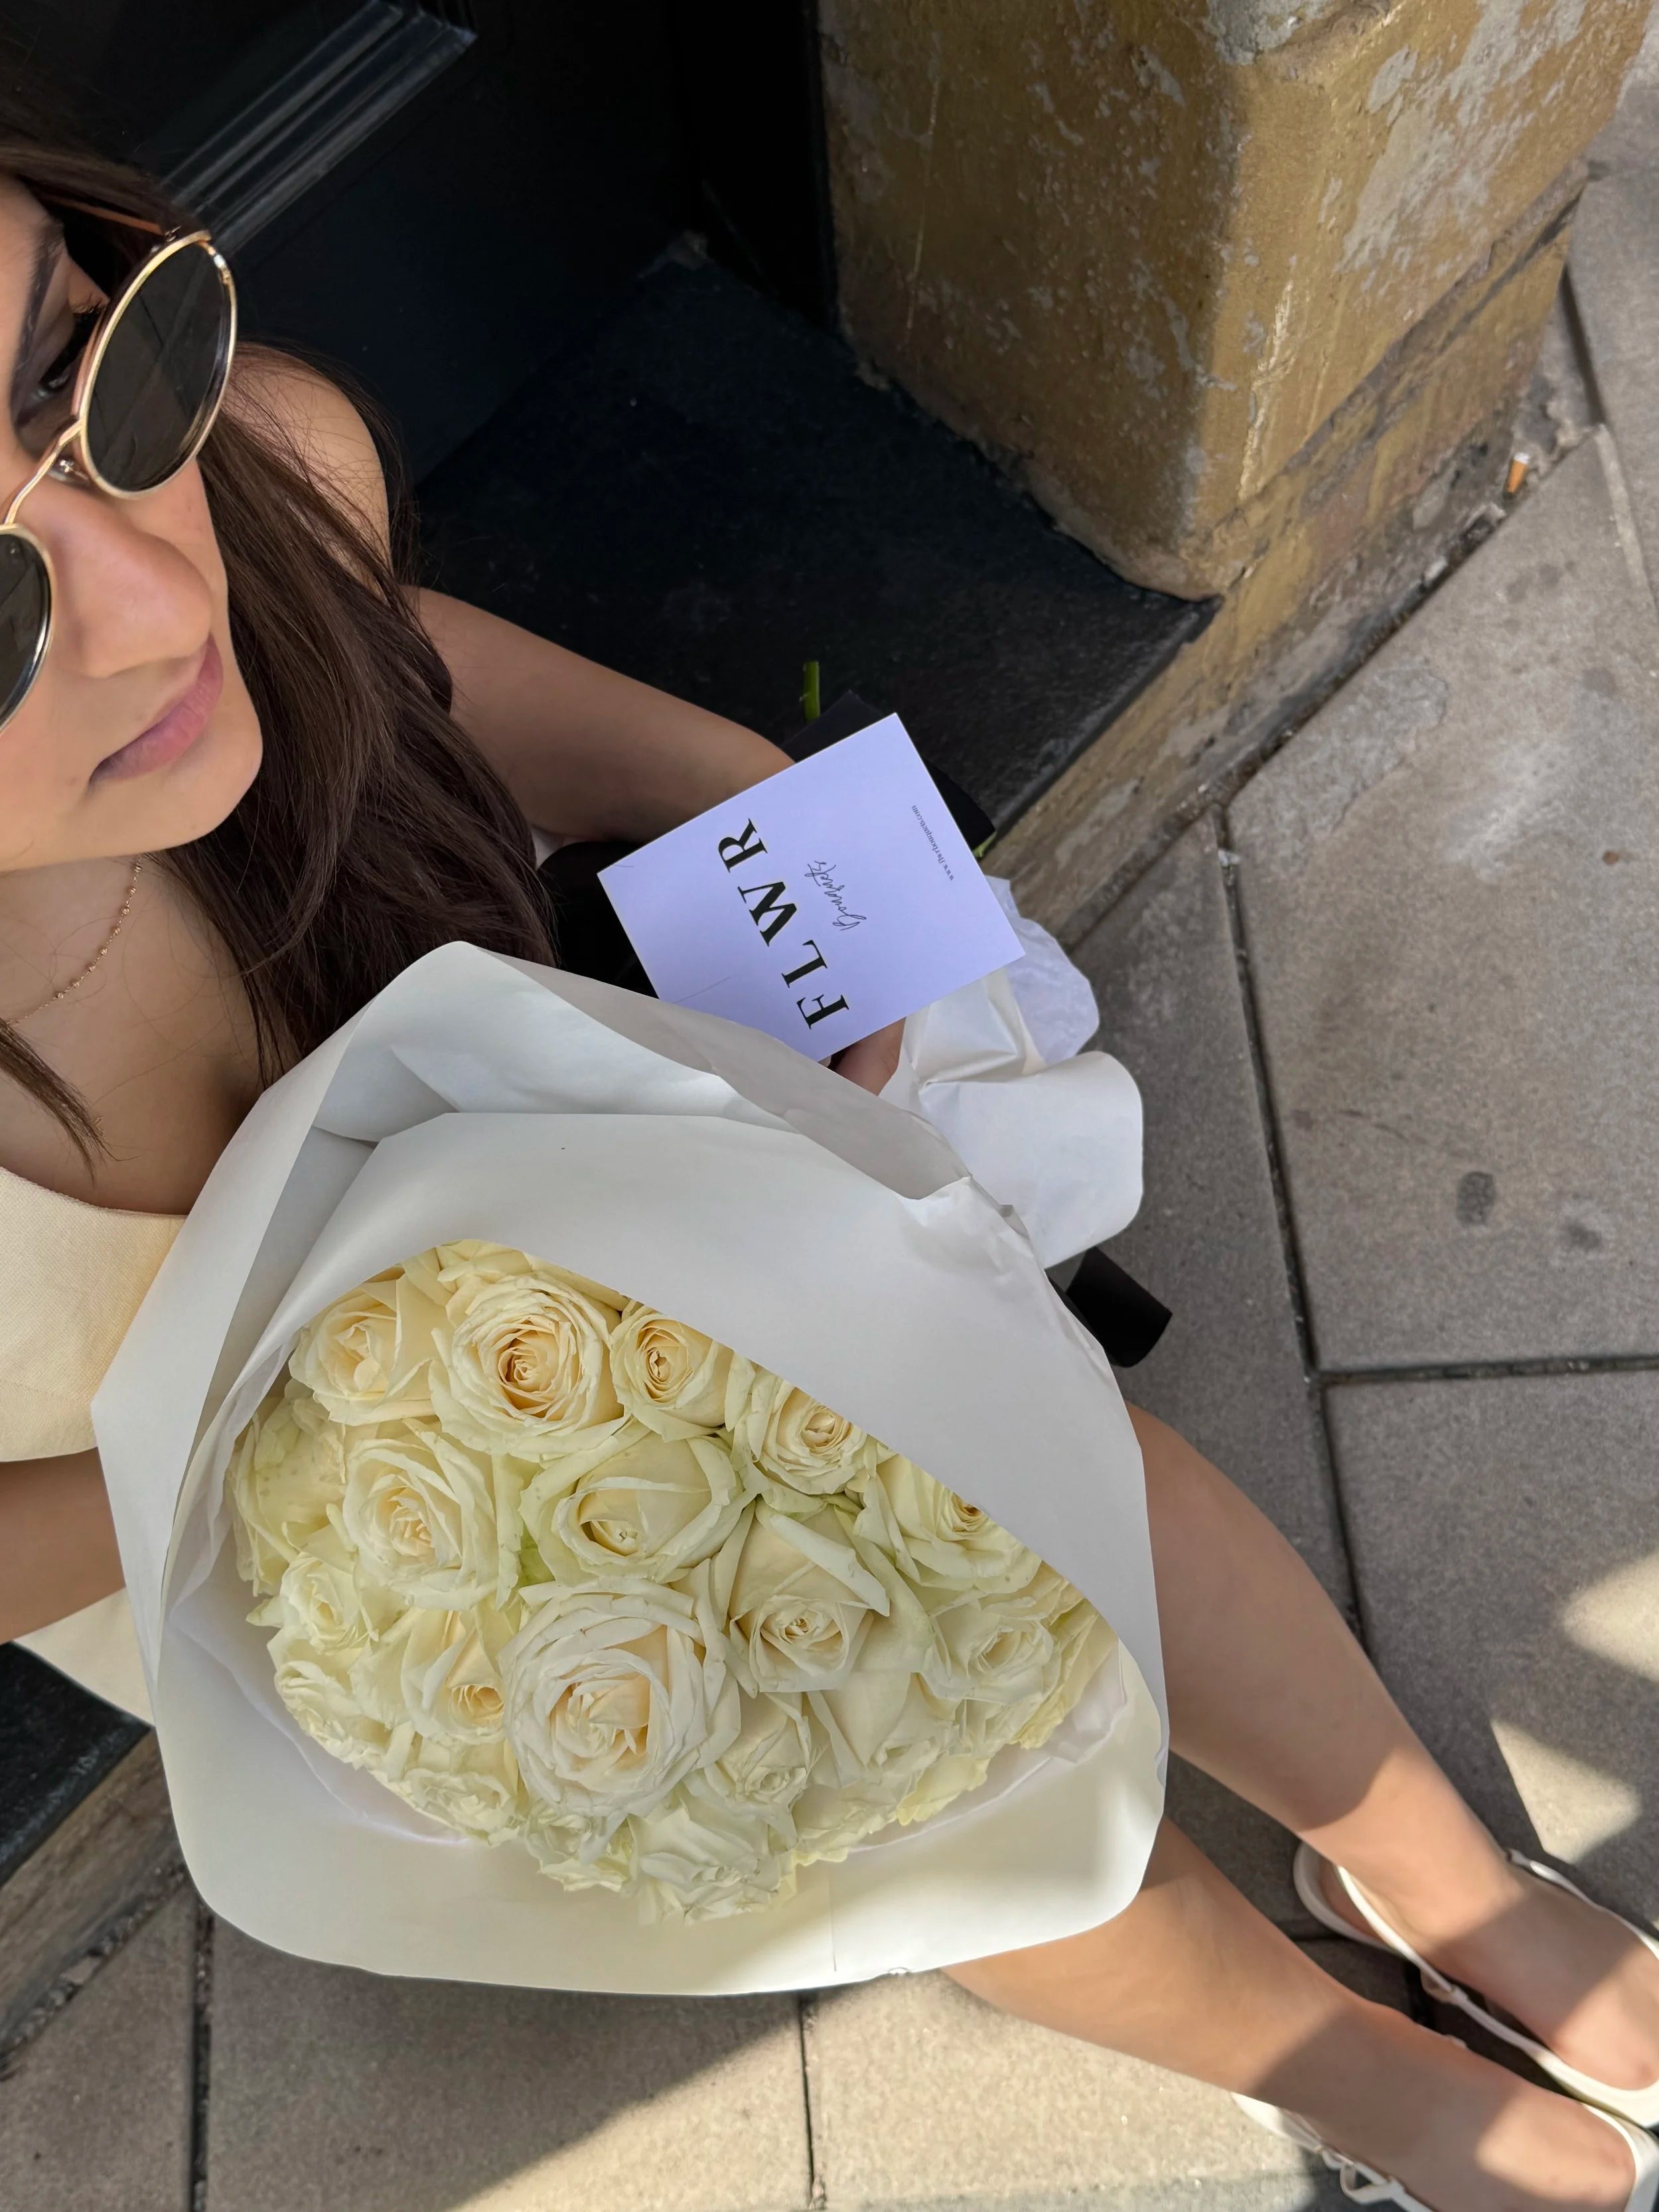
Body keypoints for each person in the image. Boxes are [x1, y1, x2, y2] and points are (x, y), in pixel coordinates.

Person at [0, 113, 1653, 2212]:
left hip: (667, 1194)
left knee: (1085, 1483)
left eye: (80, 369)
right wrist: (259, 1427)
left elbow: (395, 663)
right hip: (382, 1545)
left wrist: (732, 798)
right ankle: (1355, 2072)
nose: (153, 594)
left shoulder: (252, 482)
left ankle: (1425, 1871)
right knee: (894, 1804)